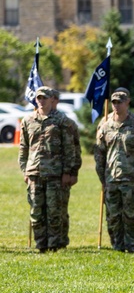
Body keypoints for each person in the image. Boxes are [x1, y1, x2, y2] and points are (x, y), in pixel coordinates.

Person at [19, 86, 82, 252]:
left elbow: (70, 149)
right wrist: (24, 169)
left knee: (54, 211)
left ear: (51, 100)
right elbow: (24, 147)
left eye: (44, 98)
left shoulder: (61, 121)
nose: (41, 101)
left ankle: (54, 244)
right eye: (38, 98)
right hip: (34, 172)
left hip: (55, 173)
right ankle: (41, 244)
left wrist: (68, 172)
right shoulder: (28, 120)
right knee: (36, 211)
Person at [94, 88, 134, 253]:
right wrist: (102, 177)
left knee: (130, 215)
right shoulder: (105, 126)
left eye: (120, 102)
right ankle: (117, 245)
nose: (117, 105)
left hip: (130, 178)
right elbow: (99, 154)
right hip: (111, 178)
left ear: (128, 103)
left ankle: (131, 245)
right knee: (113, 215)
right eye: (114, 102)